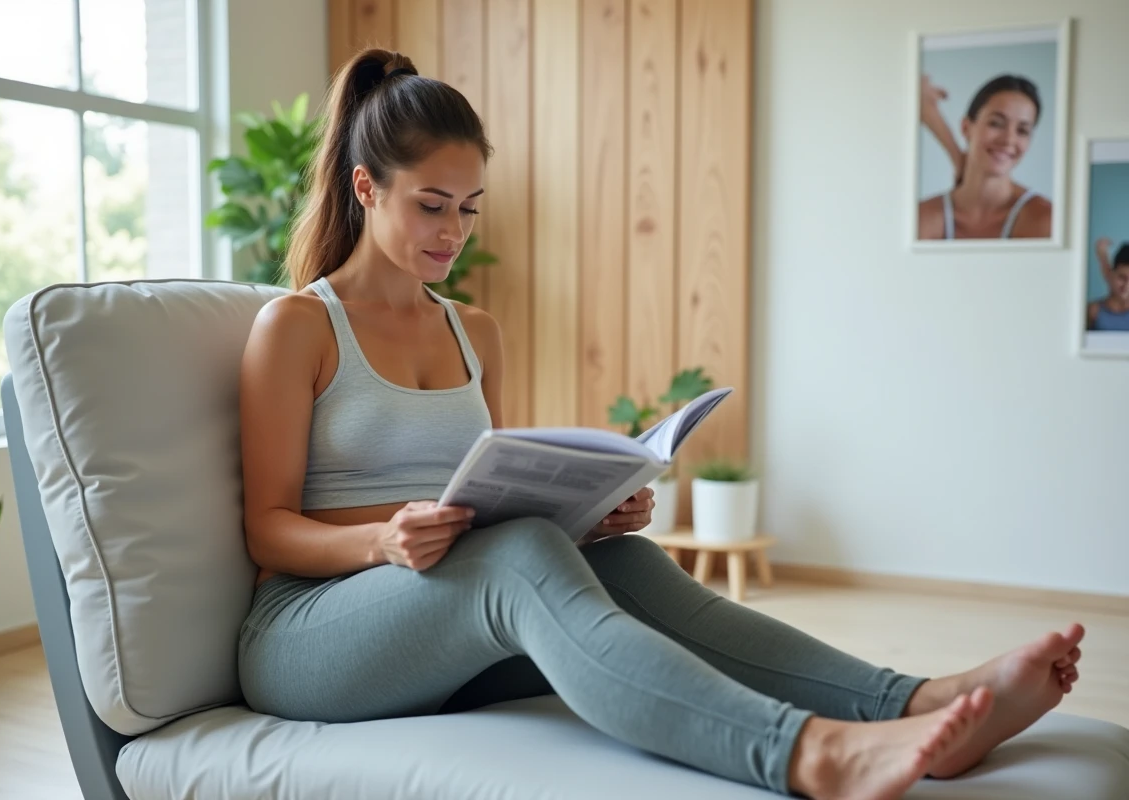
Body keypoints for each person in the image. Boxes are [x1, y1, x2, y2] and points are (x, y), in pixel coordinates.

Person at [236, 48, 1085, 799]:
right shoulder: (299, 327)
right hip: (312, 636)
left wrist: (583, 511)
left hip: (437, 624)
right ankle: (813, 756)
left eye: (470, 208)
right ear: (364, 187)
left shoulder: (475, 330)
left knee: (628, 561)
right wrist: (385, 540)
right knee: (522, 558)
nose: (453, 232)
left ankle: (916, 702)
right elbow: (269, 532)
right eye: (431, 205)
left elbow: (475, 498)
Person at [918, 73, 1052, 240]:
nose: (1009, 139)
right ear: (966, 128)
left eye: (1022, 131)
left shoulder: (1046, 221)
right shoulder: (922, 219)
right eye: (996, 123)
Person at [1087, 238, 1129, 331]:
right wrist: (1102, 256)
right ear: (1112, 275)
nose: (1127, 286)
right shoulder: (1093, 311)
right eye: (1122, 278)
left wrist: (1102, 255)